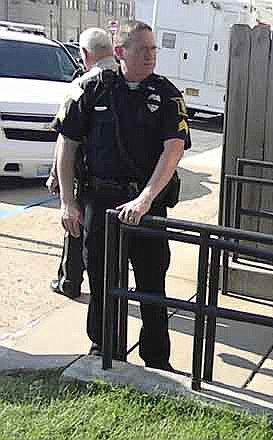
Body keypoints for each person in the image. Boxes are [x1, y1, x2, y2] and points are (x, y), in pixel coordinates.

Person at [54, 21, 190, 370]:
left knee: (151, 286)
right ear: (119, 53)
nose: (150, 56)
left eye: (153, 49)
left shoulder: (168, 94)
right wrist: (68, 201)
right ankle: (105, 350)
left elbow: (173, 149)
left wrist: (145, 199)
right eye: (141, 49)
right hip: (101, 202)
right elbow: (67, 145)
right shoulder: (91, 89)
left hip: (148, 206)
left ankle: (157, 361)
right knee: (103, 283)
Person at [47, 27, 119, 299]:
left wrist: (56, 174)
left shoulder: (83, 85)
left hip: (85, 174)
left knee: (74, 223)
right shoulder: (126, 80)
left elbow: (66, 139)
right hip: (115, 176)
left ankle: (70, 280)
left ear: (85, 54)